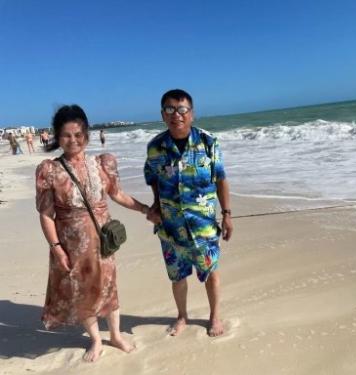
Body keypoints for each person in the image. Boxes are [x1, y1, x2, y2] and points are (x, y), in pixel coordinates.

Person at [35, 105, 151, 362]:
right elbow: (46, 214)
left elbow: (117, 195)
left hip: (103, 241)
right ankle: (96, 340)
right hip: (71, 244)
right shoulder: (49, 170)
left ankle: (116, 335)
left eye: (78, 134)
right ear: (57, 136)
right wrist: (56, 247)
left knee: (109, 286)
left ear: (87, 135)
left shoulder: (102, 164)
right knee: (83, 291)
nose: (73, 140)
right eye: (66, 135)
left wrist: (145, 209)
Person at [144, 89, 233, 337]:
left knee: (211, 272)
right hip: (170, 227)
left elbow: (222, 180)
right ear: (163, 115)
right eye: (170, 110)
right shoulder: (155, 148)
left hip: (203, 227)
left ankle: (215, 316)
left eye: (182, 109)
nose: (177, 115)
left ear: (191, 114)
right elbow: (152, 178)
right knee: (177, 277)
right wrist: (156, 204)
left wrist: (227, 214)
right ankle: (182, 316)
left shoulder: (208, 143)